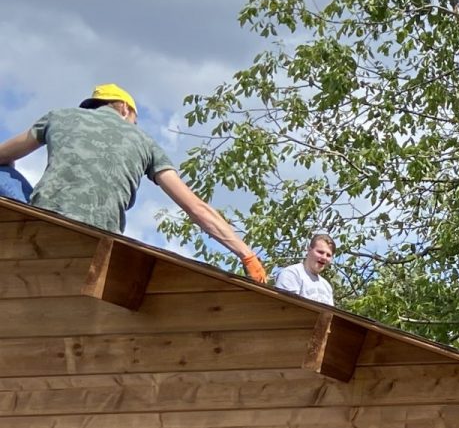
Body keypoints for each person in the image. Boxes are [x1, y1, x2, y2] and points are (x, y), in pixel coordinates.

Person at [0, 84, 266, 282]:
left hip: (43, 220)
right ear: (125, 109)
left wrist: (10, 167)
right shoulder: (144, 141)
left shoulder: (59, 116)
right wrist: (246, 254)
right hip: (100, 237)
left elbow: (2, 155)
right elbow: (195, 207)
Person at [273, 232, 336, 305]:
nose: (324, 257)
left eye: (328, 255)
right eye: (320, 252)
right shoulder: (292, 274)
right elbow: (284, 308)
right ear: (309, 250)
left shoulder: (326, 286)